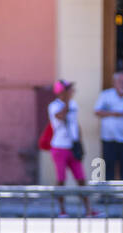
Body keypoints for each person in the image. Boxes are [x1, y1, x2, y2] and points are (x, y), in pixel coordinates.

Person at [47, 80, 98, 217]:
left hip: (72, 147)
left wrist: (79, 142)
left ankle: (88, 210)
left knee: (81, 179)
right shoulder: (54, 106)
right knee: (61, 180)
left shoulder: (74, 105)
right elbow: (61, 116)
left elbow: (75, 124)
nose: (72, 92)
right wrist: (67, 101)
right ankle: (62, 210)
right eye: (69, 89)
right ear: (61, 92)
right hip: (59, 147)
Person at [93, 70, 123, 181]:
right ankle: (108, 196)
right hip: (109, 139)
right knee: (108, 169)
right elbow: (97, 111)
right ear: (114, 83)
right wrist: (114, 113)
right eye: (120, 81)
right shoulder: (106, 95)